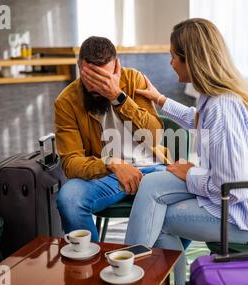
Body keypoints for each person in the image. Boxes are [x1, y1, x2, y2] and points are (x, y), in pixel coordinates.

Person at [124, 18, 248, 285]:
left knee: (159, 218)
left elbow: (233, 189)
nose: (170, 63)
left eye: (173, 57)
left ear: (190, 59)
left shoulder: (222, 107)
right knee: (153, 185)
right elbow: (200, 121)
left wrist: (190, 173)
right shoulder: (222, 97)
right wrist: (160, 100)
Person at [55, 36, 169, 241]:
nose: (99, 86)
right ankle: (91, 267)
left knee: (193, 198)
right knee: (69, 199)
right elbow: (71, 162)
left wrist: (118, 96)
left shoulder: (134, 80)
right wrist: (112, 163)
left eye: (105, 77)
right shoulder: (66, 101)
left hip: (153, 168)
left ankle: (155, 266)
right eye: (92, 78)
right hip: (107, 175)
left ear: (116, 65)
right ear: (80, 66)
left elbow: (155, 136)